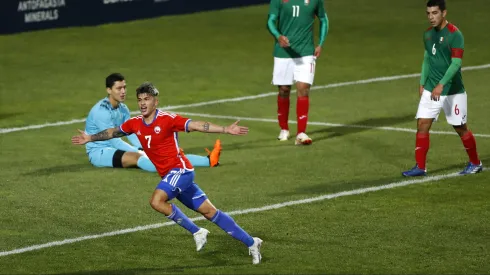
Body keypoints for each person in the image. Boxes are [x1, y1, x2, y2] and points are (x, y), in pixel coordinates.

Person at [72, 82, 263, 264]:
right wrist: (90, 137)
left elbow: (196, 125)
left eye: (146, 99)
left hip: (181, 171)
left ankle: (197, 231)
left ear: (156, 101)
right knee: (210, 212)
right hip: (172, 176)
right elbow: (114, 132)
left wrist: (225, 129)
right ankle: (252, 242)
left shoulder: (168, 120)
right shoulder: (135, 123)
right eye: (139, 100)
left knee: (156, 201)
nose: (142, 103)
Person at [402, 0, 483, 177]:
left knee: (460, 127)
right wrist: (423, 82)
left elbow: (456, 63)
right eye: (428, 13)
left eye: (435, 13)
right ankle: (420, 167)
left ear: (444, 13)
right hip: (432, 88)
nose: (431, 17)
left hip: (453, 91)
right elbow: (427, 59)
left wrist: (442, 84)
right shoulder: (428, 35)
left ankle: (475, 163)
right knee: (422, 124)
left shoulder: (455, 34)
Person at [83, 73, 221, 173]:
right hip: (99, 152)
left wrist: (144, 146)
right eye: (119, 88)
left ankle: (208, 160)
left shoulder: (122, 108)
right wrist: (141, 151)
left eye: (124, 87)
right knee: (138, 157)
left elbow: (132, 133)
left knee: (166, 154)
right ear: (108, 90)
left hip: (114, 147)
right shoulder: (101, 112)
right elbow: (114, 140)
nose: (123, 91)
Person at [267, 0, 329, 145]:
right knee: (284, 90)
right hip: (283, 52)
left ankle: (301, 133)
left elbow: (323, 19)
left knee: (303, 89)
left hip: (306, 52)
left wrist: (320, 43)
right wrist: (278, 36)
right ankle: (284, 128)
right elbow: (270, 21)